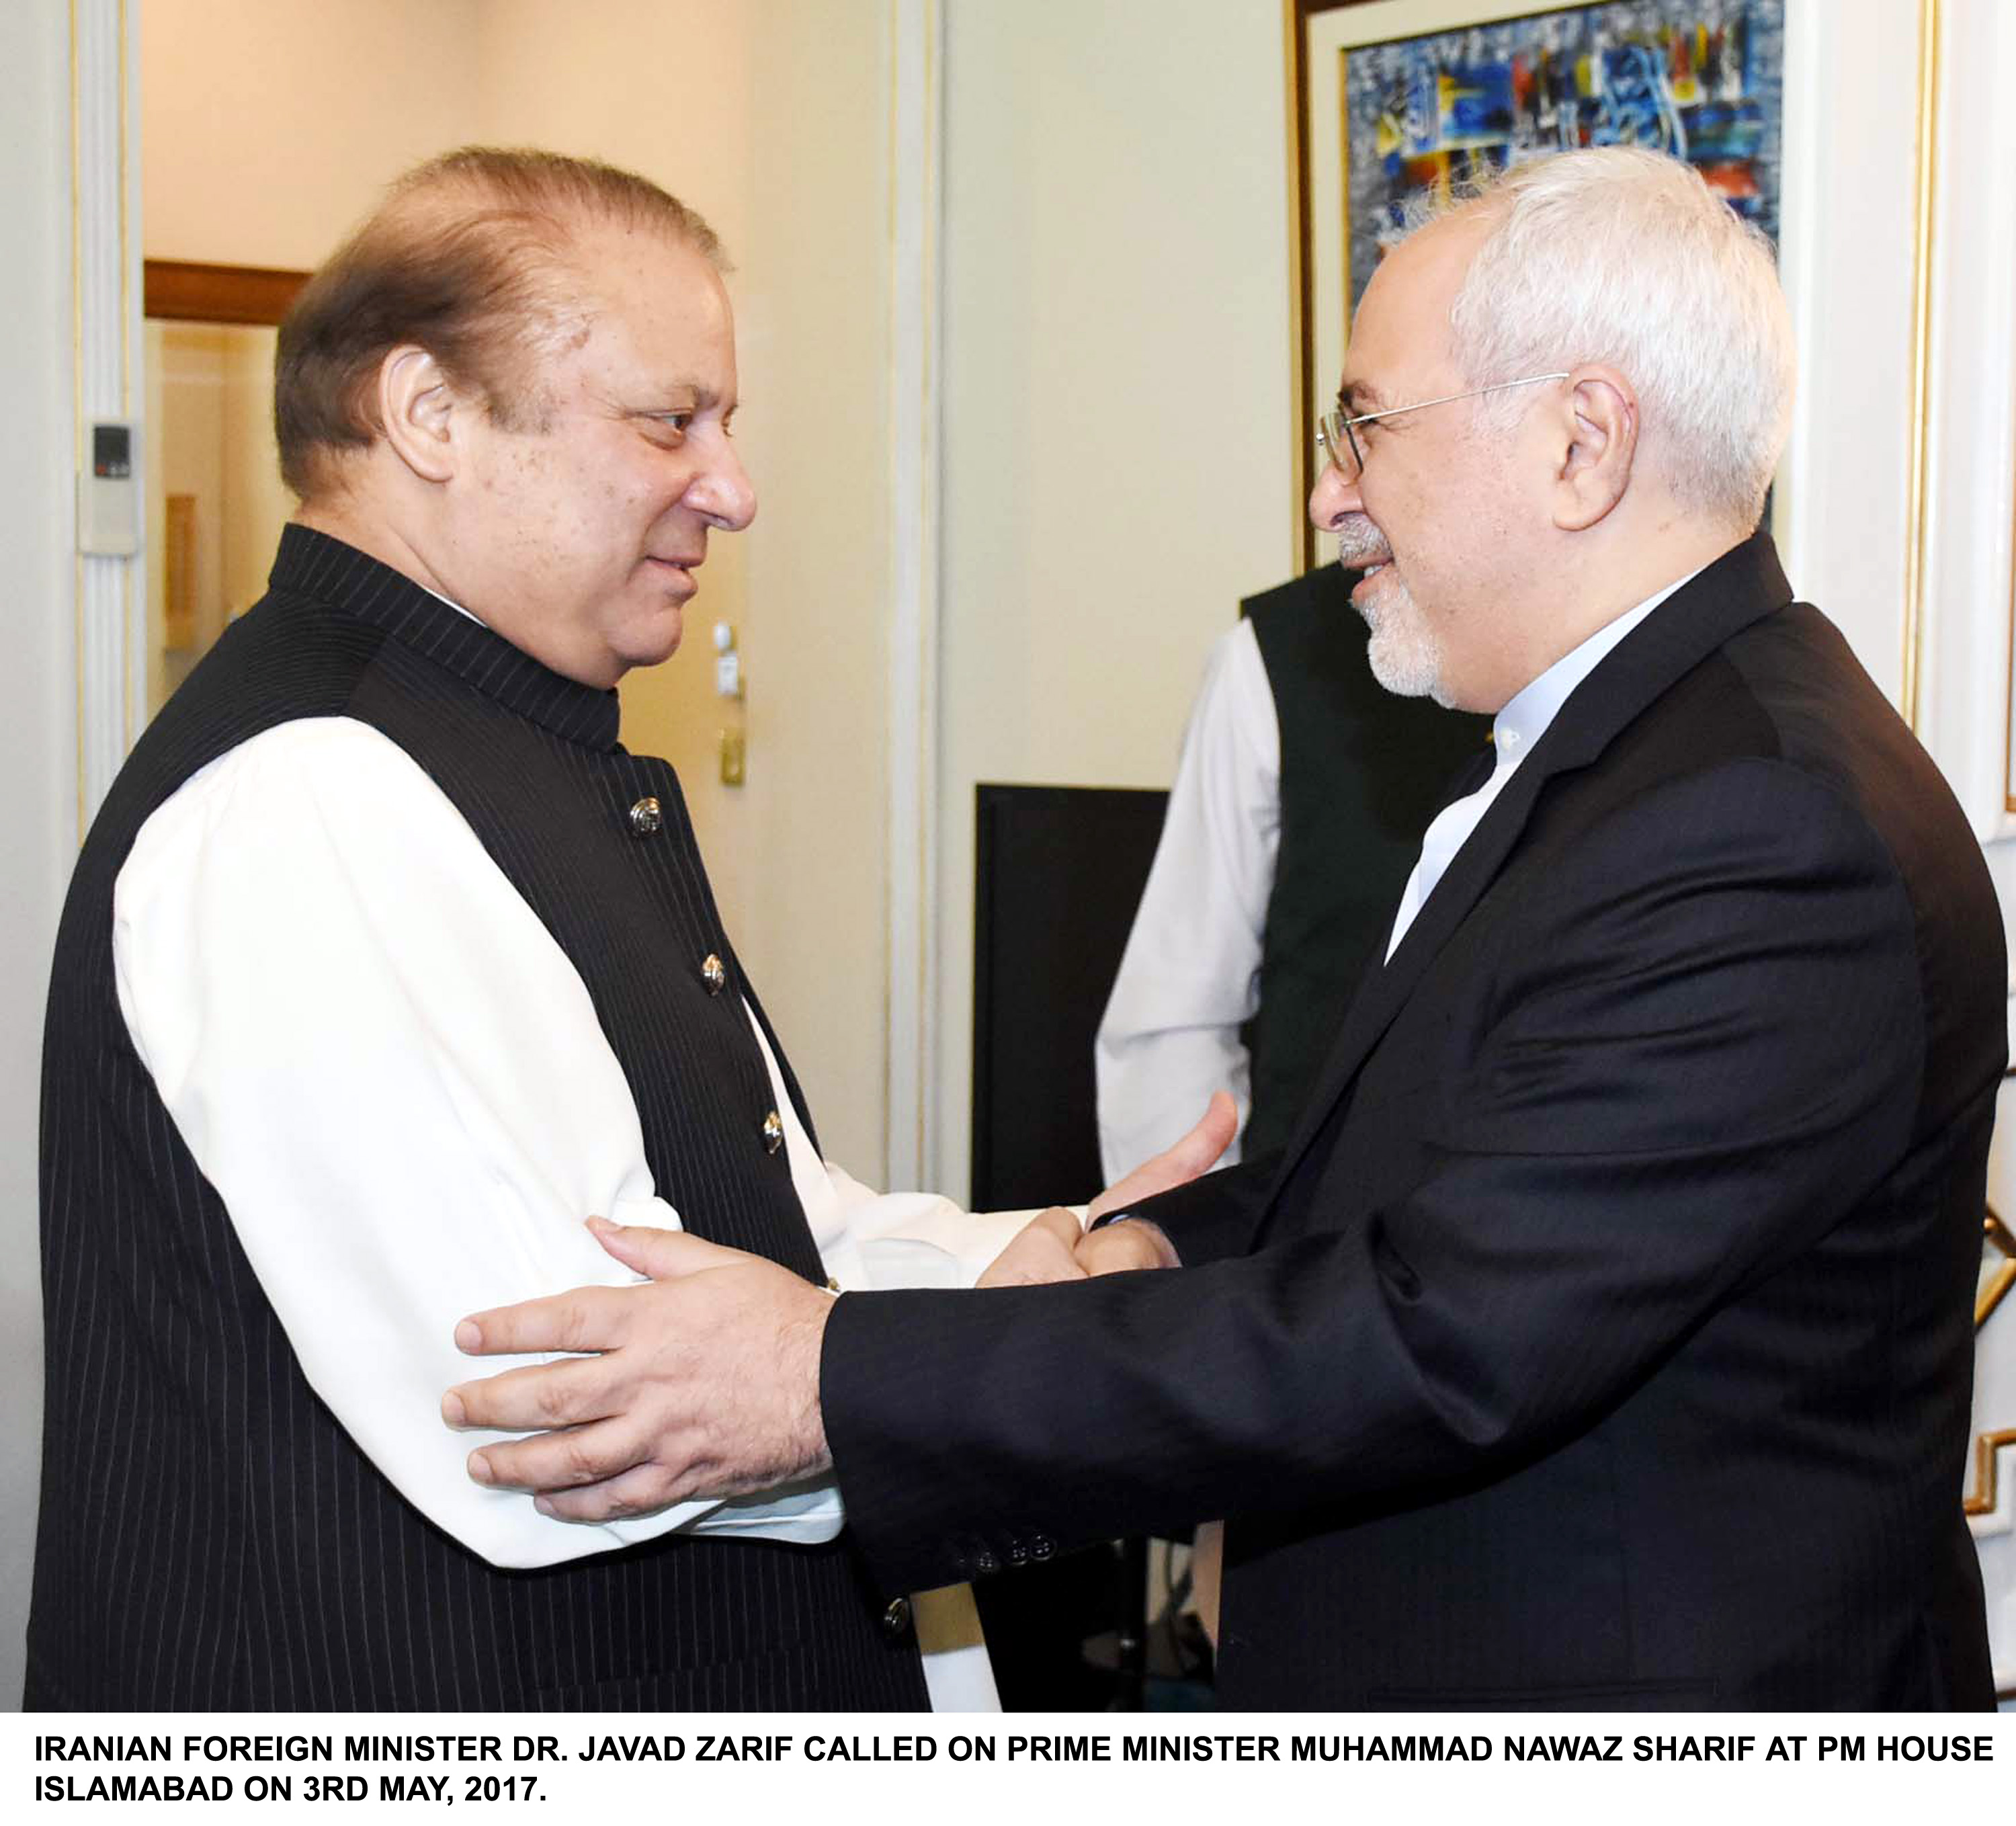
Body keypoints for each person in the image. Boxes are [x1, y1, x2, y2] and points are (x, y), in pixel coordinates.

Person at [450, 147, 2005, 1710]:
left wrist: (820, 1378)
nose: (1328, 493)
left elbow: (1439, 1334)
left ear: (1578, 445)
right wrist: (1145, 1245)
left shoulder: (1755, 825)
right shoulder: (1643, 757)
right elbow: (1452, 1182)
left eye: (1363, 427)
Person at [28, 146, 1225, 1712]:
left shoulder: (522, 751)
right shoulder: (311, 793)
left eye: (724, 425)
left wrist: (1034, 1269)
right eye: (670, 420)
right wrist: (1024, 1365)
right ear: (430, 416)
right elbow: (557, 1415)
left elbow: (754, 1232)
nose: (732, 487)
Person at [1096, 567, 1488, 1179]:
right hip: (1316, 1230)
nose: (1328, 500)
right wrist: (1198, 1246)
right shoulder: (1277, 659)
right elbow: (1178, 1019)